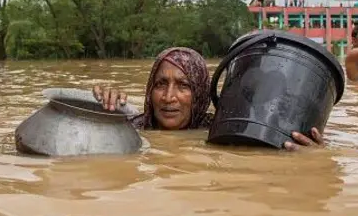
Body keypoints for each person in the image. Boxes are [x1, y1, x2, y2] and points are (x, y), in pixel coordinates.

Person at [93, 47, 324, 151]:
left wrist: (313, 154)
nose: (168, 97)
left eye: (184, 86)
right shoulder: (131, 126)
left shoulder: (222, 132)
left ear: (201, 94)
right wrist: (102, 113)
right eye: (160, 84)